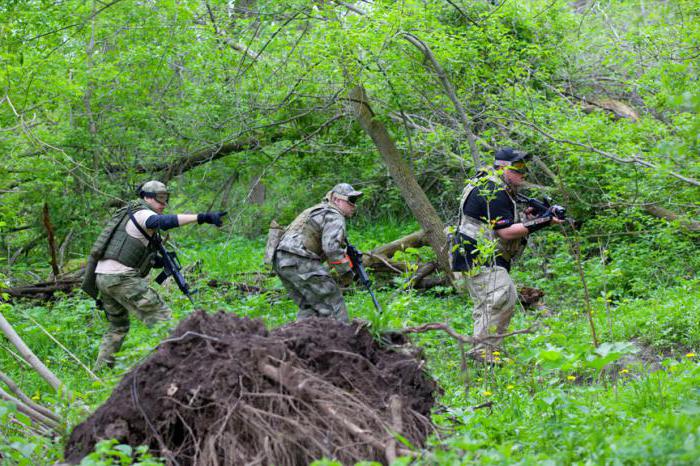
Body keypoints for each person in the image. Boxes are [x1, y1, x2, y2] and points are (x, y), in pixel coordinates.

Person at [83, 180, 226, 369]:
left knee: (118, 326)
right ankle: (189, 363)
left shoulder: (128, 214)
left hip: (103, 277)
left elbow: (127, 250)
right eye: (159, 199)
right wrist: (203, 217)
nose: (163, 204)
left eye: (166, 199)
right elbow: (164, 222)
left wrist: (157, 261)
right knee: (163, 320)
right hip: (120, 278)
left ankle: (100, 370)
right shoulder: (142, 214)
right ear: (146, 197)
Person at [453, 148, 563, 363]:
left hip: (483, 254)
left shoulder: (496, 187)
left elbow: (497, 223)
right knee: (499, 295)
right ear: (503, 167)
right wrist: (544, 221)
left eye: (525, 168)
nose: (523, 173)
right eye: (518, 168)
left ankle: (487, 351)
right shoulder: (491, 188)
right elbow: (504, 231)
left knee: (504, 298)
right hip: (478, 254)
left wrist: (528, 217)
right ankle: (483, 352)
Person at [272, 183, 362, 322]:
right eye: (351, 200)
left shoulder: (316, 210)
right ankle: (344, 339)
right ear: (337, 200)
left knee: (310, 307)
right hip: (300, 259)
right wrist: (346, 273)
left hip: (280, 261)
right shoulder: (335, 215)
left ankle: (300, 340)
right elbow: (331, 248)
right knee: (334, 301)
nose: (354, 206)